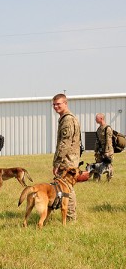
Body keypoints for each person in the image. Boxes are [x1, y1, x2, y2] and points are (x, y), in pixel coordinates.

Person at [52, 93, 81, 221]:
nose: (56, 106)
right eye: (54, 104)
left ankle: (70, 218)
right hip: (70, 158)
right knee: (66, 188)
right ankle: (69, 216)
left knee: (66, 189)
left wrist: (57, 163)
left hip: (67, 160)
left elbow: (65, 143)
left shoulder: (68, 120)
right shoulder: (66, 118)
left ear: (65, 103)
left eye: (58, 104)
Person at [94, 113, 114, 179]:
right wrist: (96, 150)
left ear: (101, 119)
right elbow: (97, 141)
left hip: (108, 150)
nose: (95, 119)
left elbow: (109, 141)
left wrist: (106, 152)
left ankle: (109, 178)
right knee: (97, 164)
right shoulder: (99, 129)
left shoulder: (107, 128)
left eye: (96, 118)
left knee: (108, 164)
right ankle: (96, 178)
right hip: (100, 150)